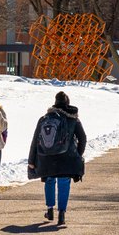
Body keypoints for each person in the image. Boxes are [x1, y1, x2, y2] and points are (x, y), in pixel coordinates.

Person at [27, 91, 86, 226]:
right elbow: (82, 138)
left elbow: (35, 140)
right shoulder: (73, 119)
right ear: (68, 103)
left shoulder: (45, 118)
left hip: (46, 158)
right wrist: (77, 154)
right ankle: (62, 214)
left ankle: (50, 210)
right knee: (64, 182)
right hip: (67, 158)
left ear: (55, 103)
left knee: (49, 181)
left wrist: (31, 161)